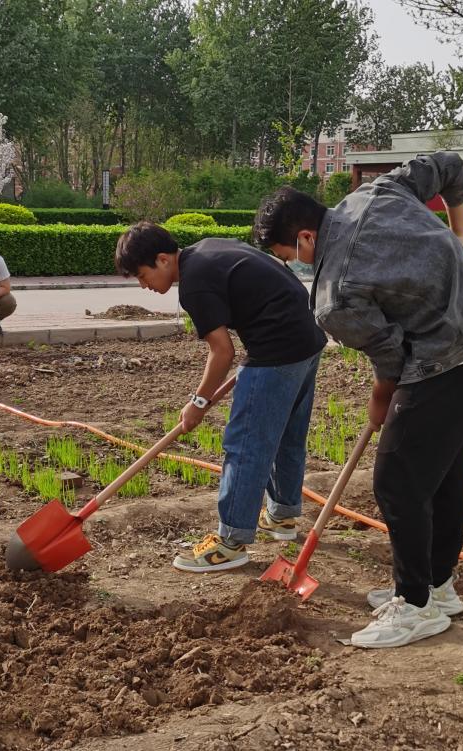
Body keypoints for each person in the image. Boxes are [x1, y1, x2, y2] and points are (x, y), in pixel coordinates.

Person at [254, 151, 463, 649]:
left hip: (449, 361)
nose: (297, 265)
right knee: (442, 474)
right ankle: (437, 589)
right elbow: (450, 165)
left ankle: (414, 606)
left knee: (395, 481)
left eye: (290, 255)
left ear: (306, 237)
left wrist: (382, 398)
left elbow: (390, 357)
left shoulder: (334, 294)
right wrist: (461, 231)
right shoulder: (376, 192)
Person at [115, 222, 328, 573]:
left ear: (164, 259)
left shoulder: (194, 285)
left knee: (246, 444)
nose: (144, 286)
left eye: (142, 275)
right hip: (307, 338)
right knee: (288, 434)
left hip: (277, 348)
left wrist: (198, 402)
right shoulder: (206, 250)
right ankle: (282, 517)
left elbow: (222, 352)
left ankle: (231, 542)